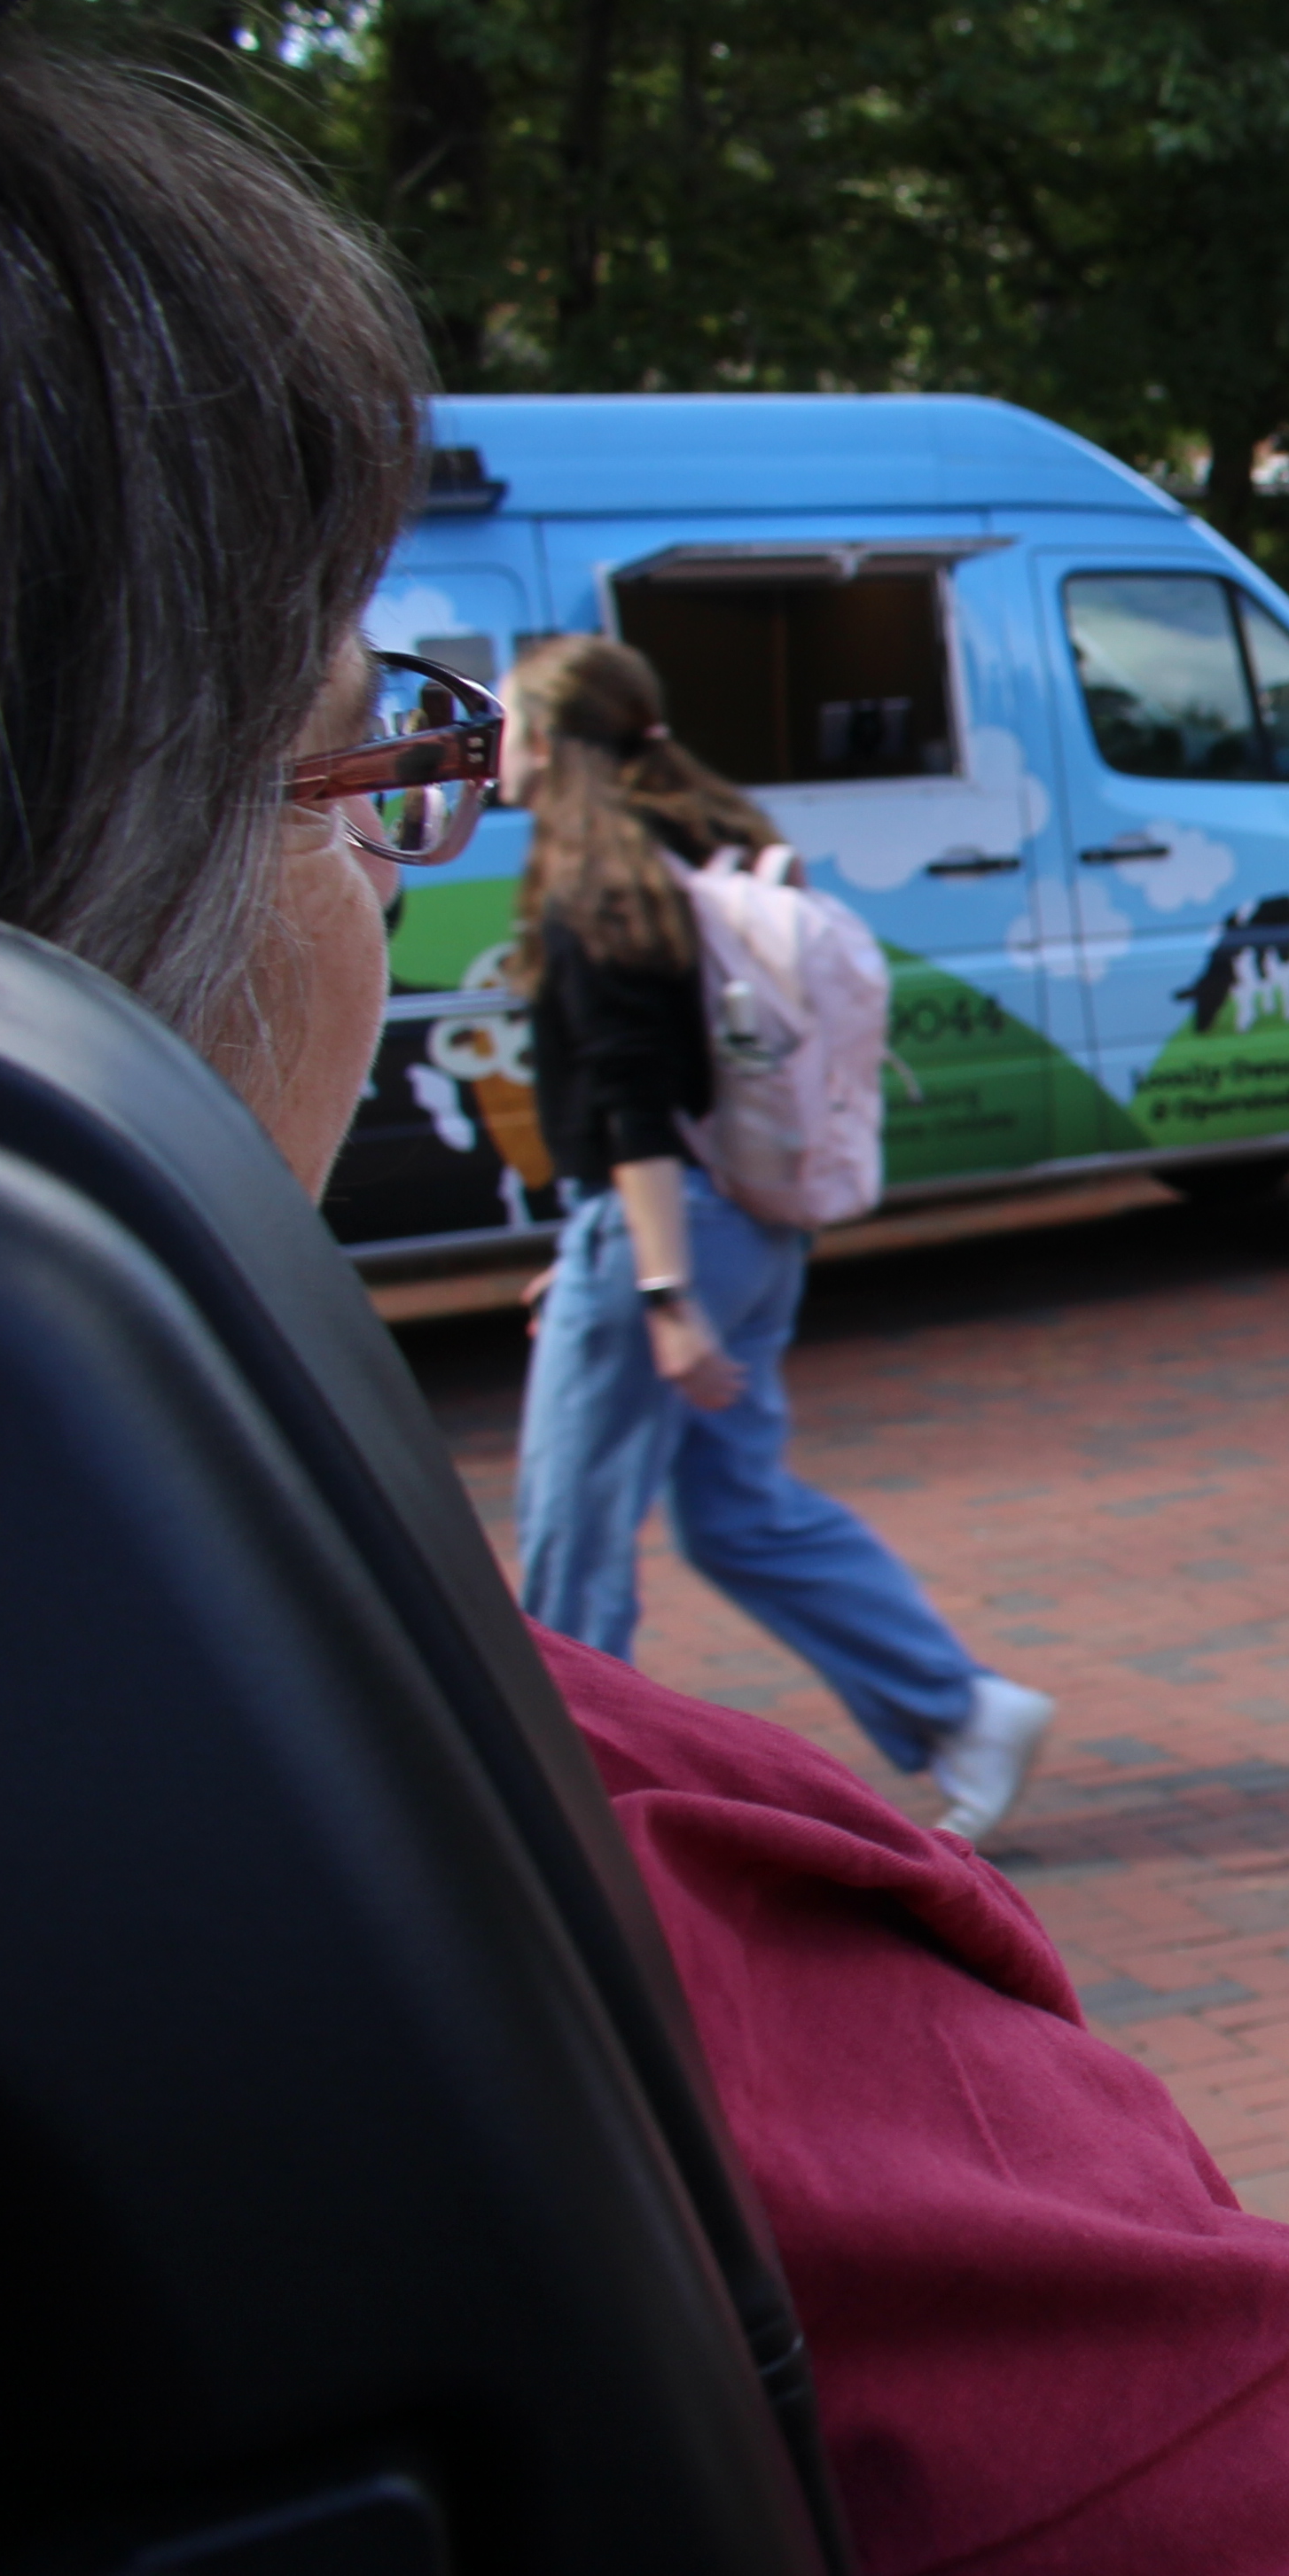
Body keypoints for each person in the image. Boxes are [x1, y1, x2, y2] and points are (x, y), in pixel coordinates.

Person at [0, 39, 1289, 2576]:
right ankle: (930, 1691)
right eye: (359, 755)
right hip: (649, 1278)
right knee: (628, 1550)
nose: (406, 833)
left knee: (656, 1529)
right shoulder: (557, 1900)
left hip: (655, 1265)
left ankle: (931, 1683)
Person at [502, 632, 1062, 1843]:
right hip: (755, 1227)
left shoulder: (597, 883)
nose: (497, 750)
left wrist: (652, 1286)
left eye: (505, 725)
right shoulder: (714, 848)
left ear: (547, 745)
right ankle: (963, 1712)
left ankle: (574, 1816)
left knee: (573, 1552)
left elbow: (632, 1102)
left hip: (671, 1242)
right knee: (741, 1515)